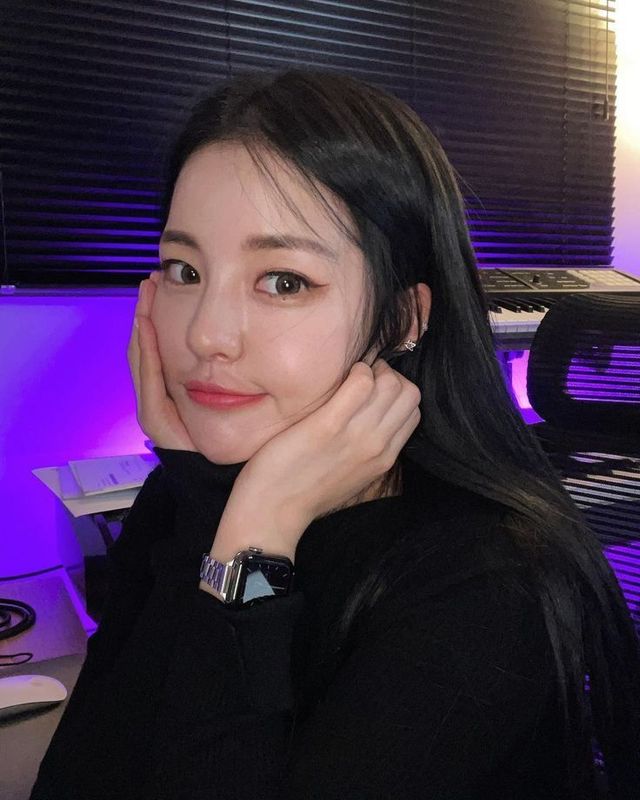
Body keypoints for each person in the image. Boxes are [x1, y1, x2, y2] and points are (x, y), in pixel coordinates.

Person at [31, 70, 640, 800]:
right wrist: (205, 497)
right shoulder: (184, 494)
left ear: (403, 319)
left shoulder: (485, 588)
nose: (205, 334)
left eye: (284, 281)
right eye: (184, 269)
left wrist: (254, 536)